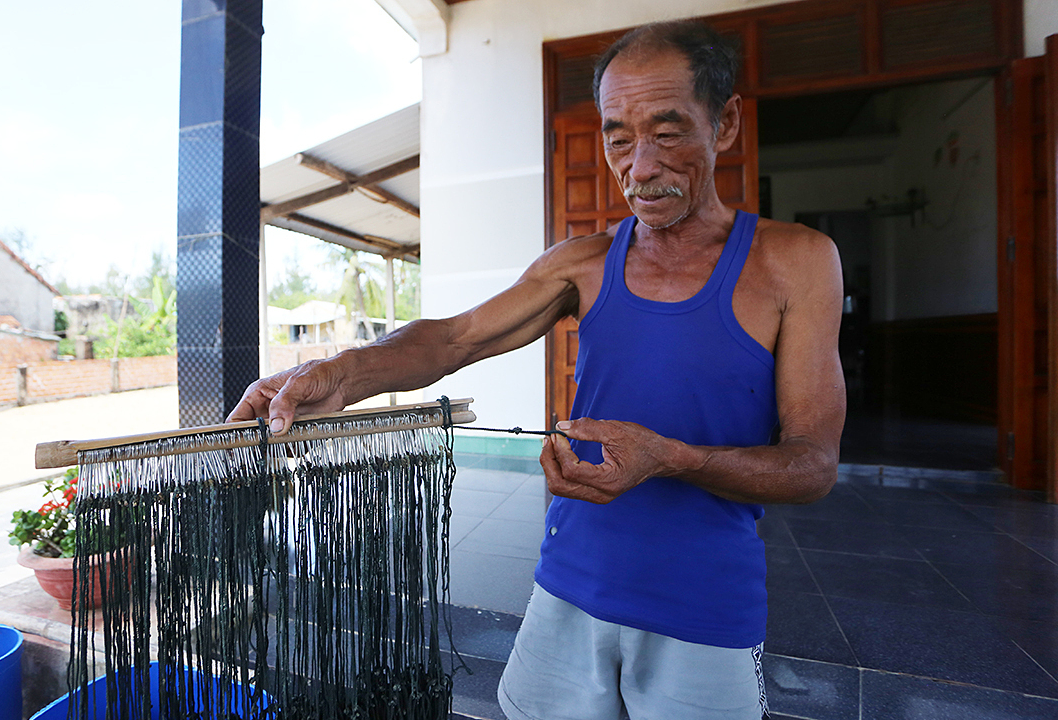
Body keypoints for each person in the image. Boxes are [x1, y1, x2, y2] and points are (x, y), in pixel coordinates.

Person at [229, 19, 844, 720]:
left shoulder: (795, 261)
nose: (639, 167)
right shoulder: (581, 263)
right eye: (618, 136)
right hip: (567, 589)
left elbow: (813, 465)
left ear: (725, 123)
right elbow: (453, 338)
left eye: (668, 132)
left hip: (704, 608)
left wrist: (669, 458)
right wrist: (338, 373)